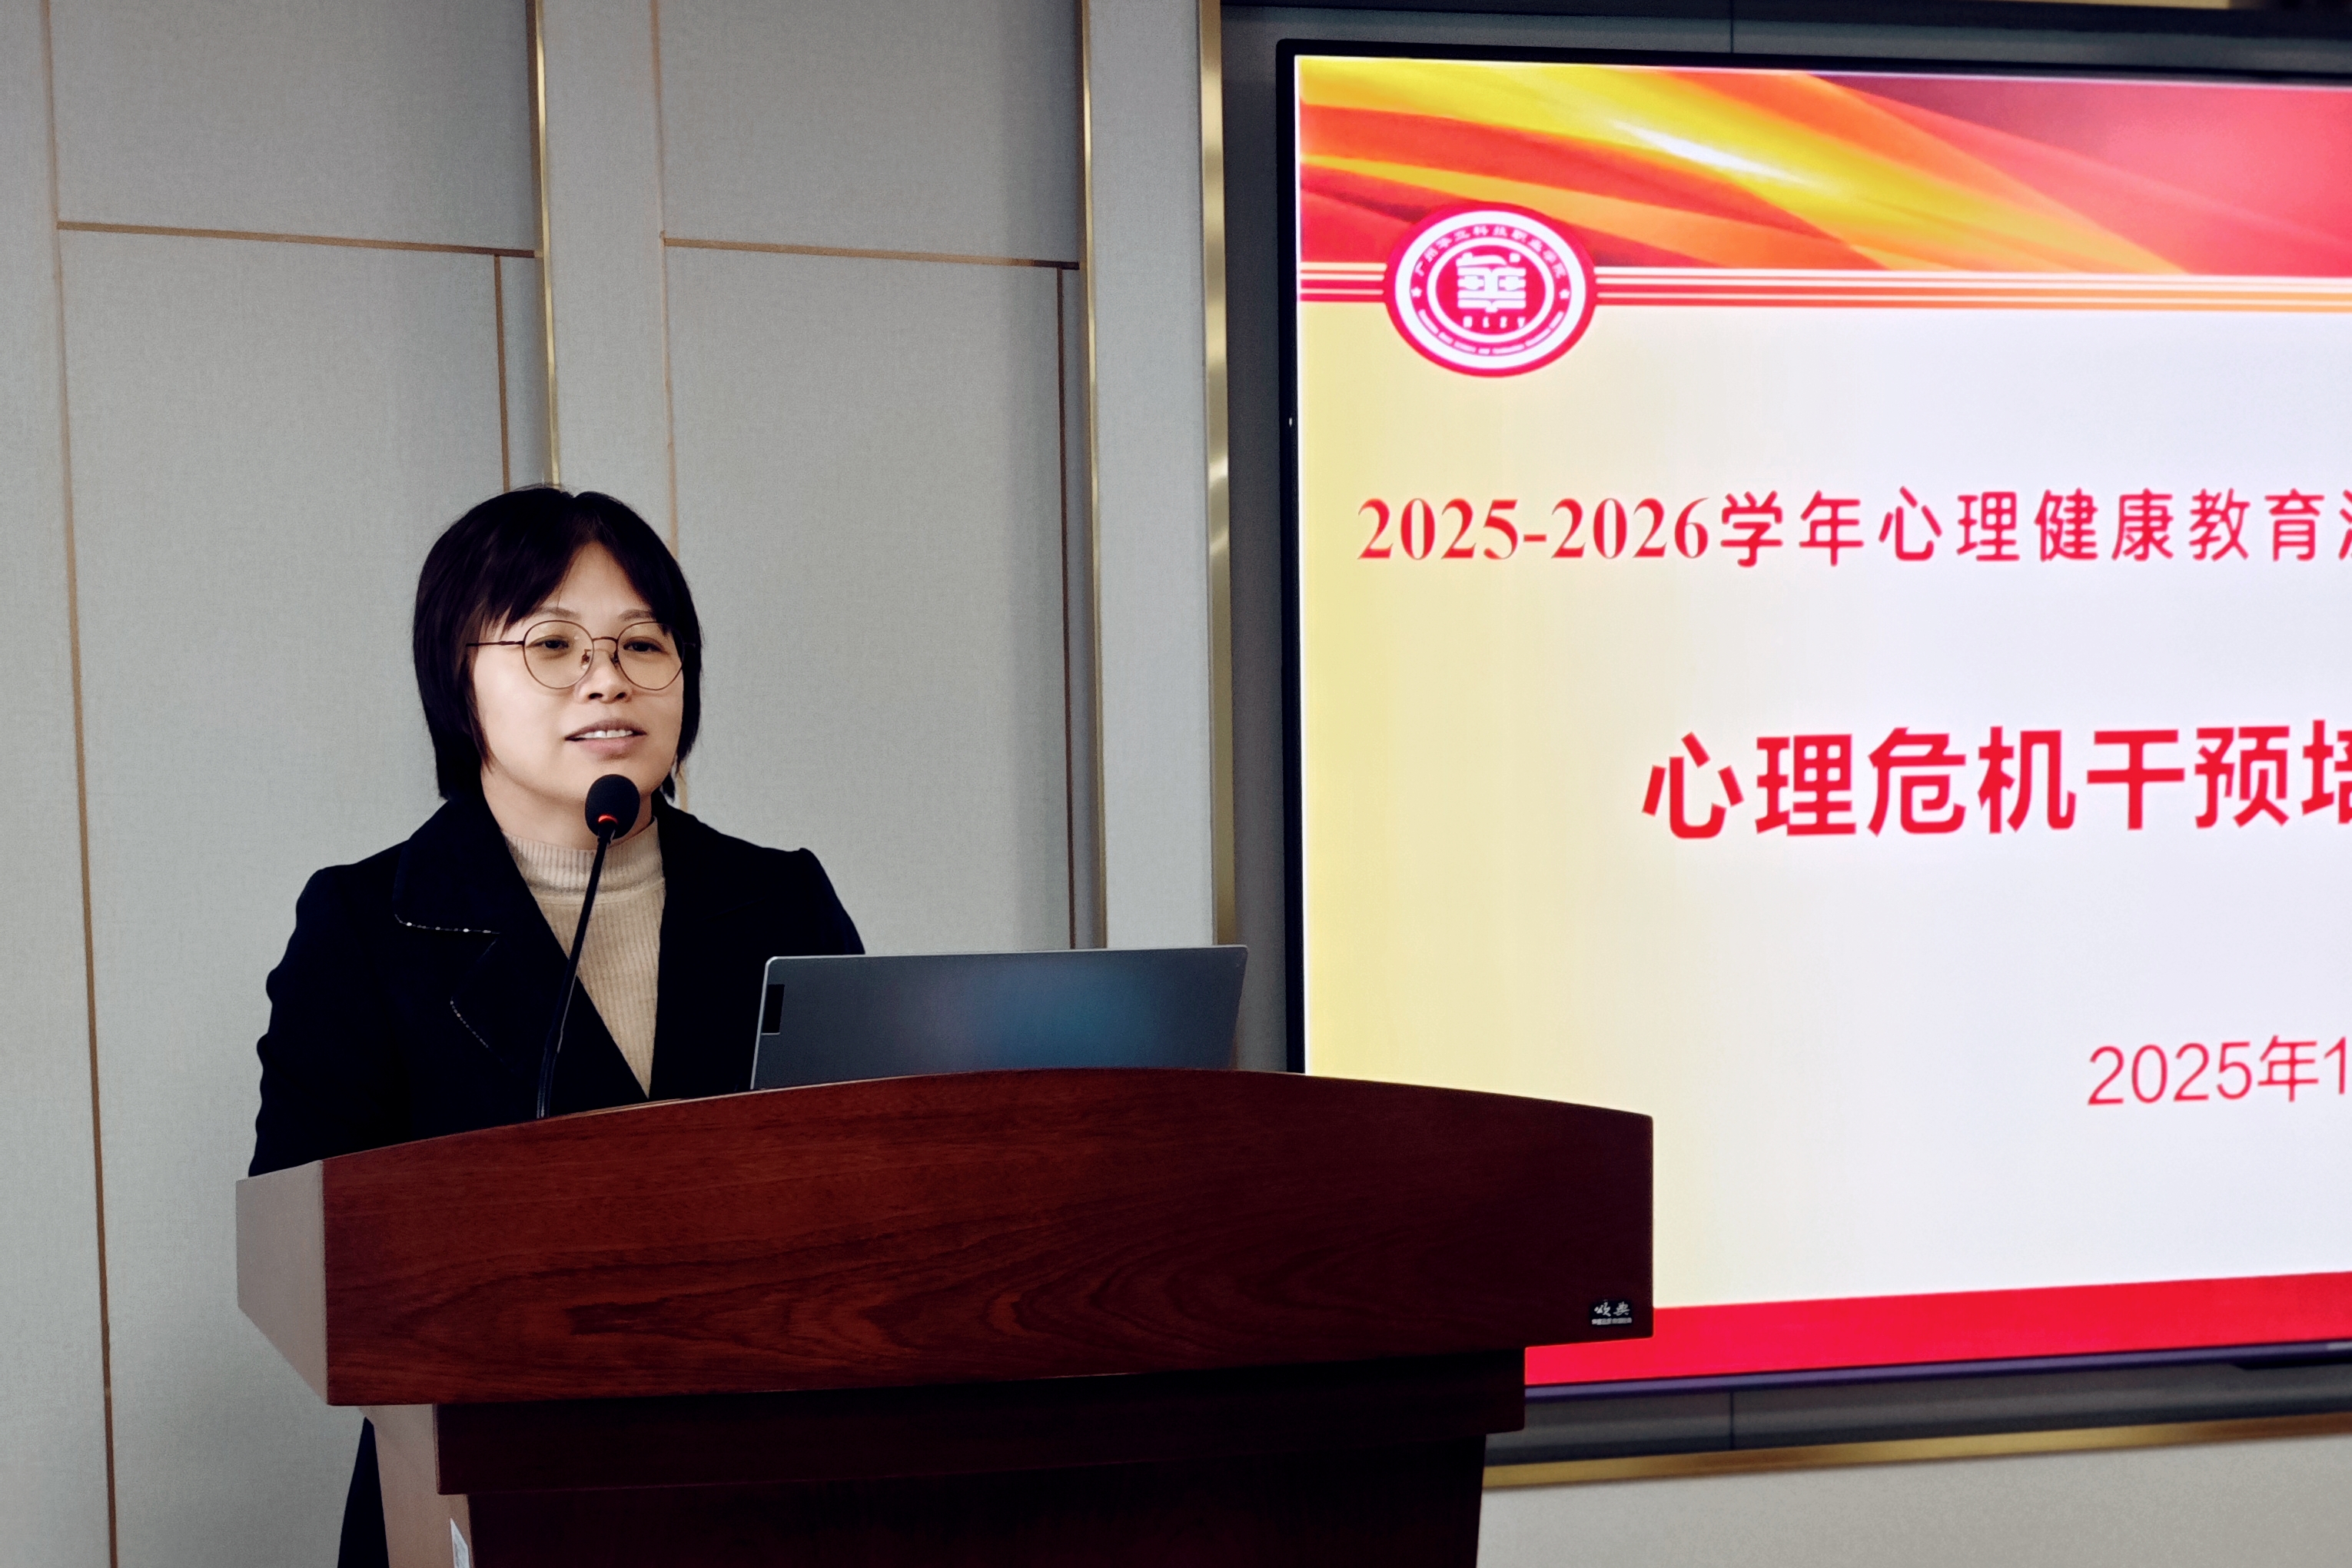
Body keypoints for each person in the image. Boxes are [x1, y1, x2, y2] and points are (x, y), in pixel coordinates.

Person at [247, 487, 861, 1567]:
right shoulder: (368, 924)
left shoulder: (781, 902)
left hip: (768, 1491)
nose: (607, 677)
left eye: (643, 644)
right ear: (458, 679)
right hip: (485, 1493)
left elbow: (880, 1182)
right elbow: (303, 1249)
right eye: (553, 644)